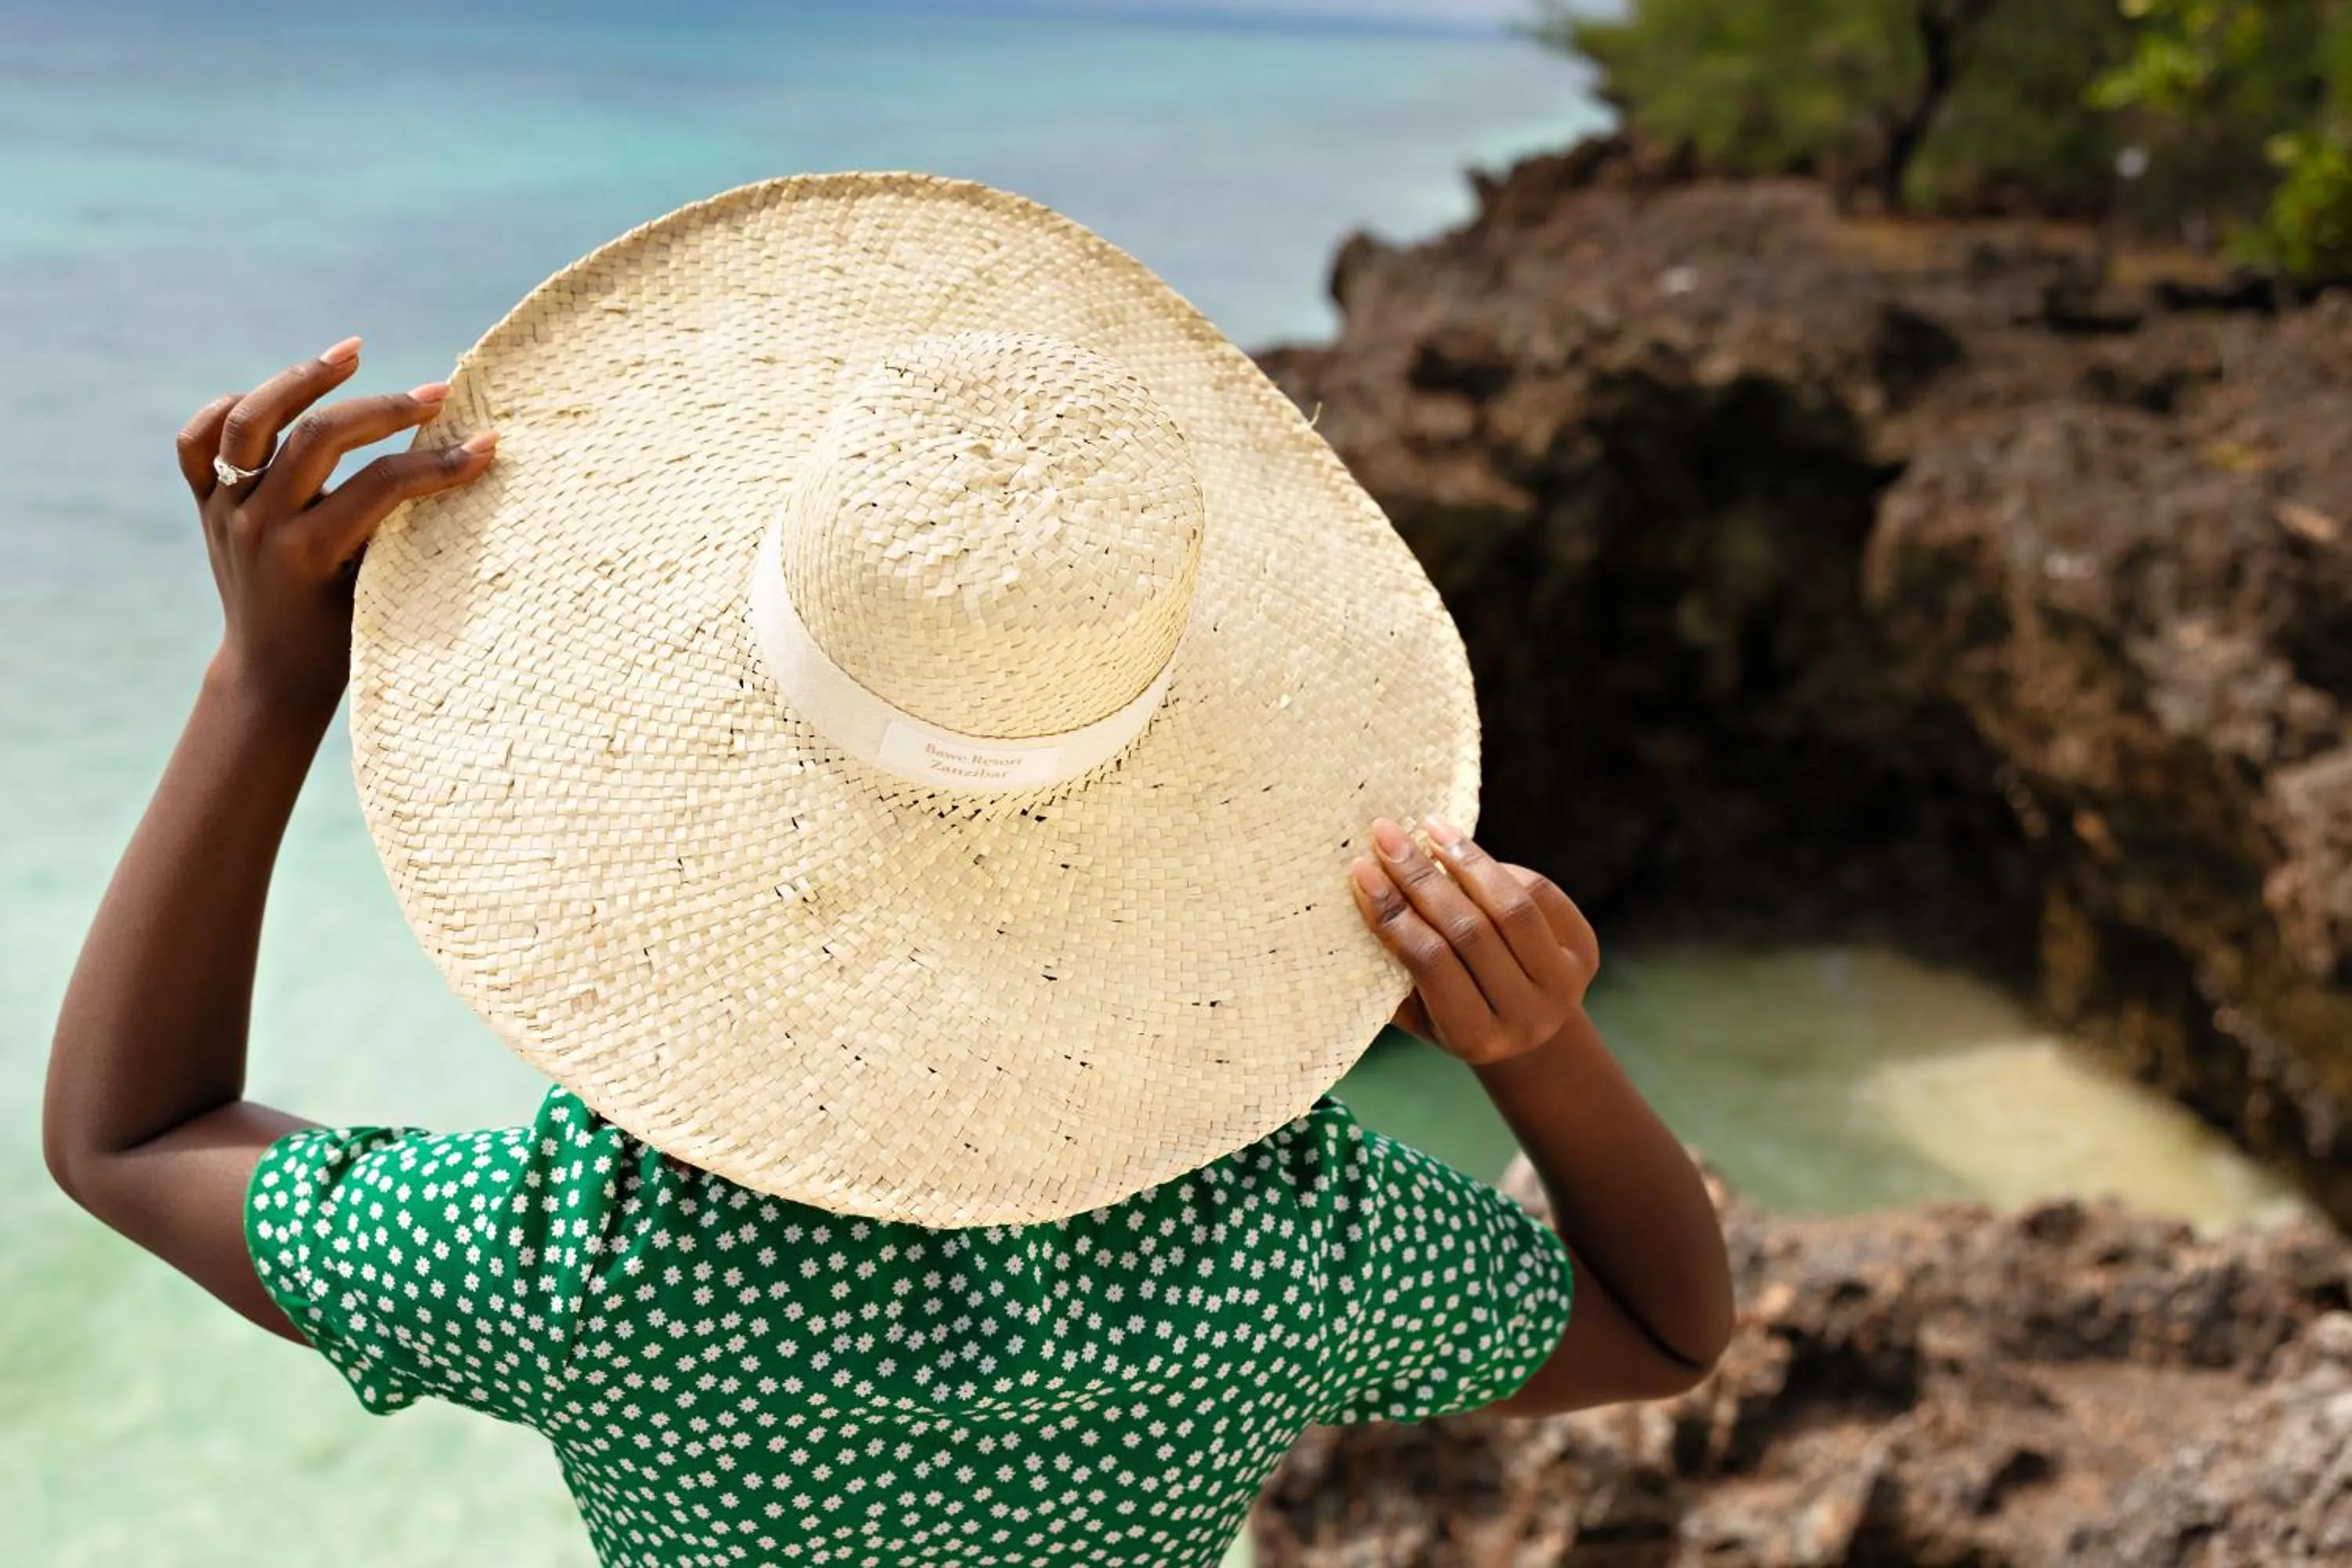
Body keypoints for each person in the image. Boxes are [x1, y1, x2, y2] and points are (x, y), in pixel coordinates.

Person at [43, 174, 1733, 1567]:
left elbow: (129, 1136)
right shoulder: (1275, 1250)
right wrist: (1538, 1048)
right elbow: (1666, 1325)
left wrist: (261, 691)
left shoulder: (584, 1259)